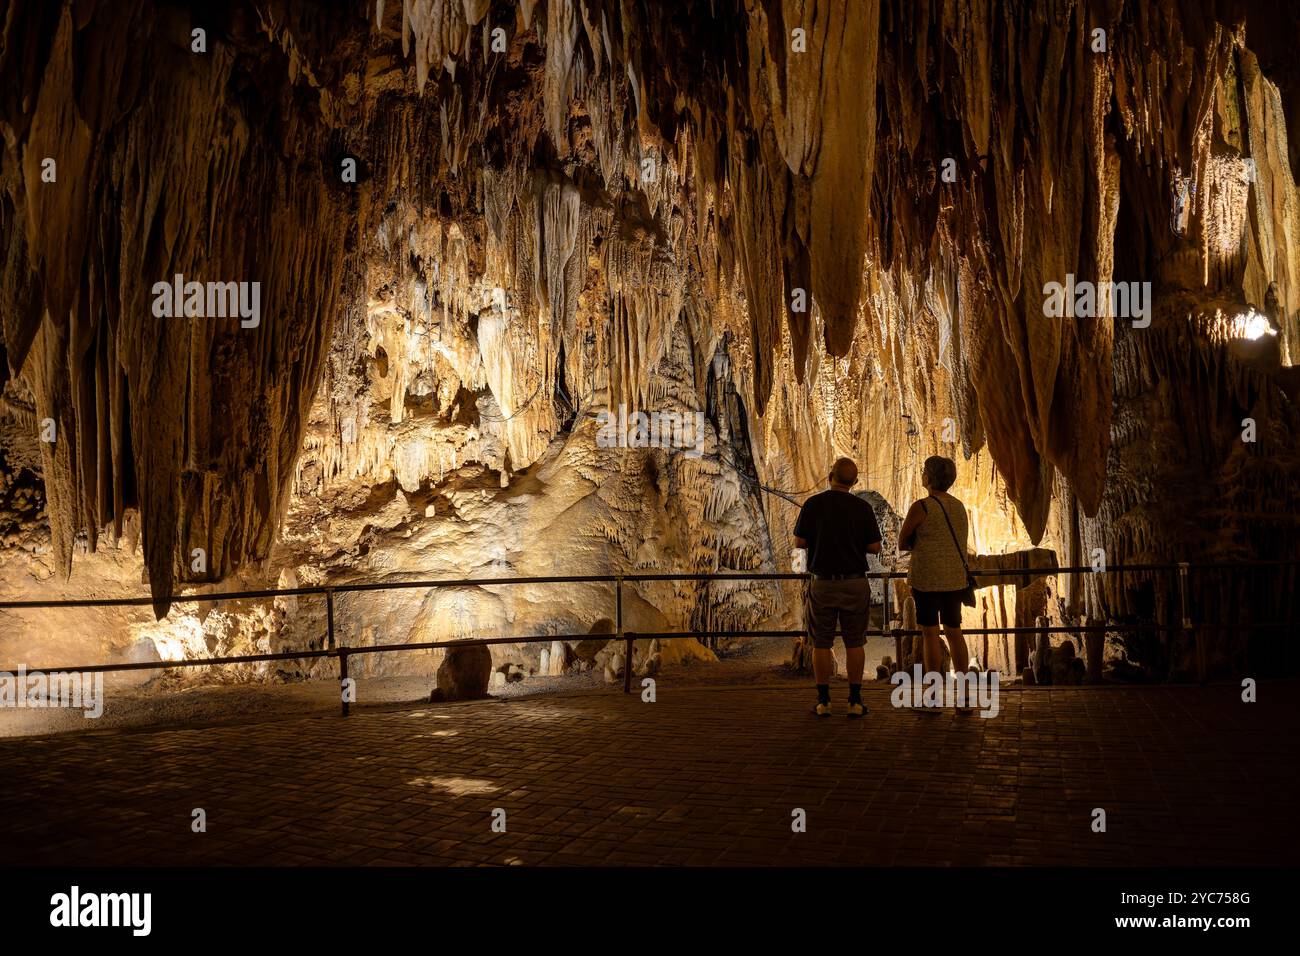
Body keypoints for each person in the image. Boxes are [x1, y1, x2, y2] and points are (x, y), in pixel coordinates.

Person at [793, 457, 883, 718]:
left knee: (821, 642)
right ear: (854, 482)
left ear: (830, 475)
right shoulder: (862, 508)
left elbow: (800, 542)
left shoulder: (813, 504)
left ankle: (824, 702)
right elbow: (875, 547)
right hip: (854, 582)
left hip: (823, 583)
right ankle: (855, 701)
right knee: (855, 641)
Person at [898, 455, 972, 713]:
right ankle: (964, 697)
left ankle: (932, 697)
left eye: (923, 472)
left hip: (928, 580)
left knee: (930, 634)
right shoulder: (959, 506)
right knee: (955, 632)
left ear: (928, 478)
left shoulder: (922, 506)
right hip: (955, 580)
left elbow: (902, 541)